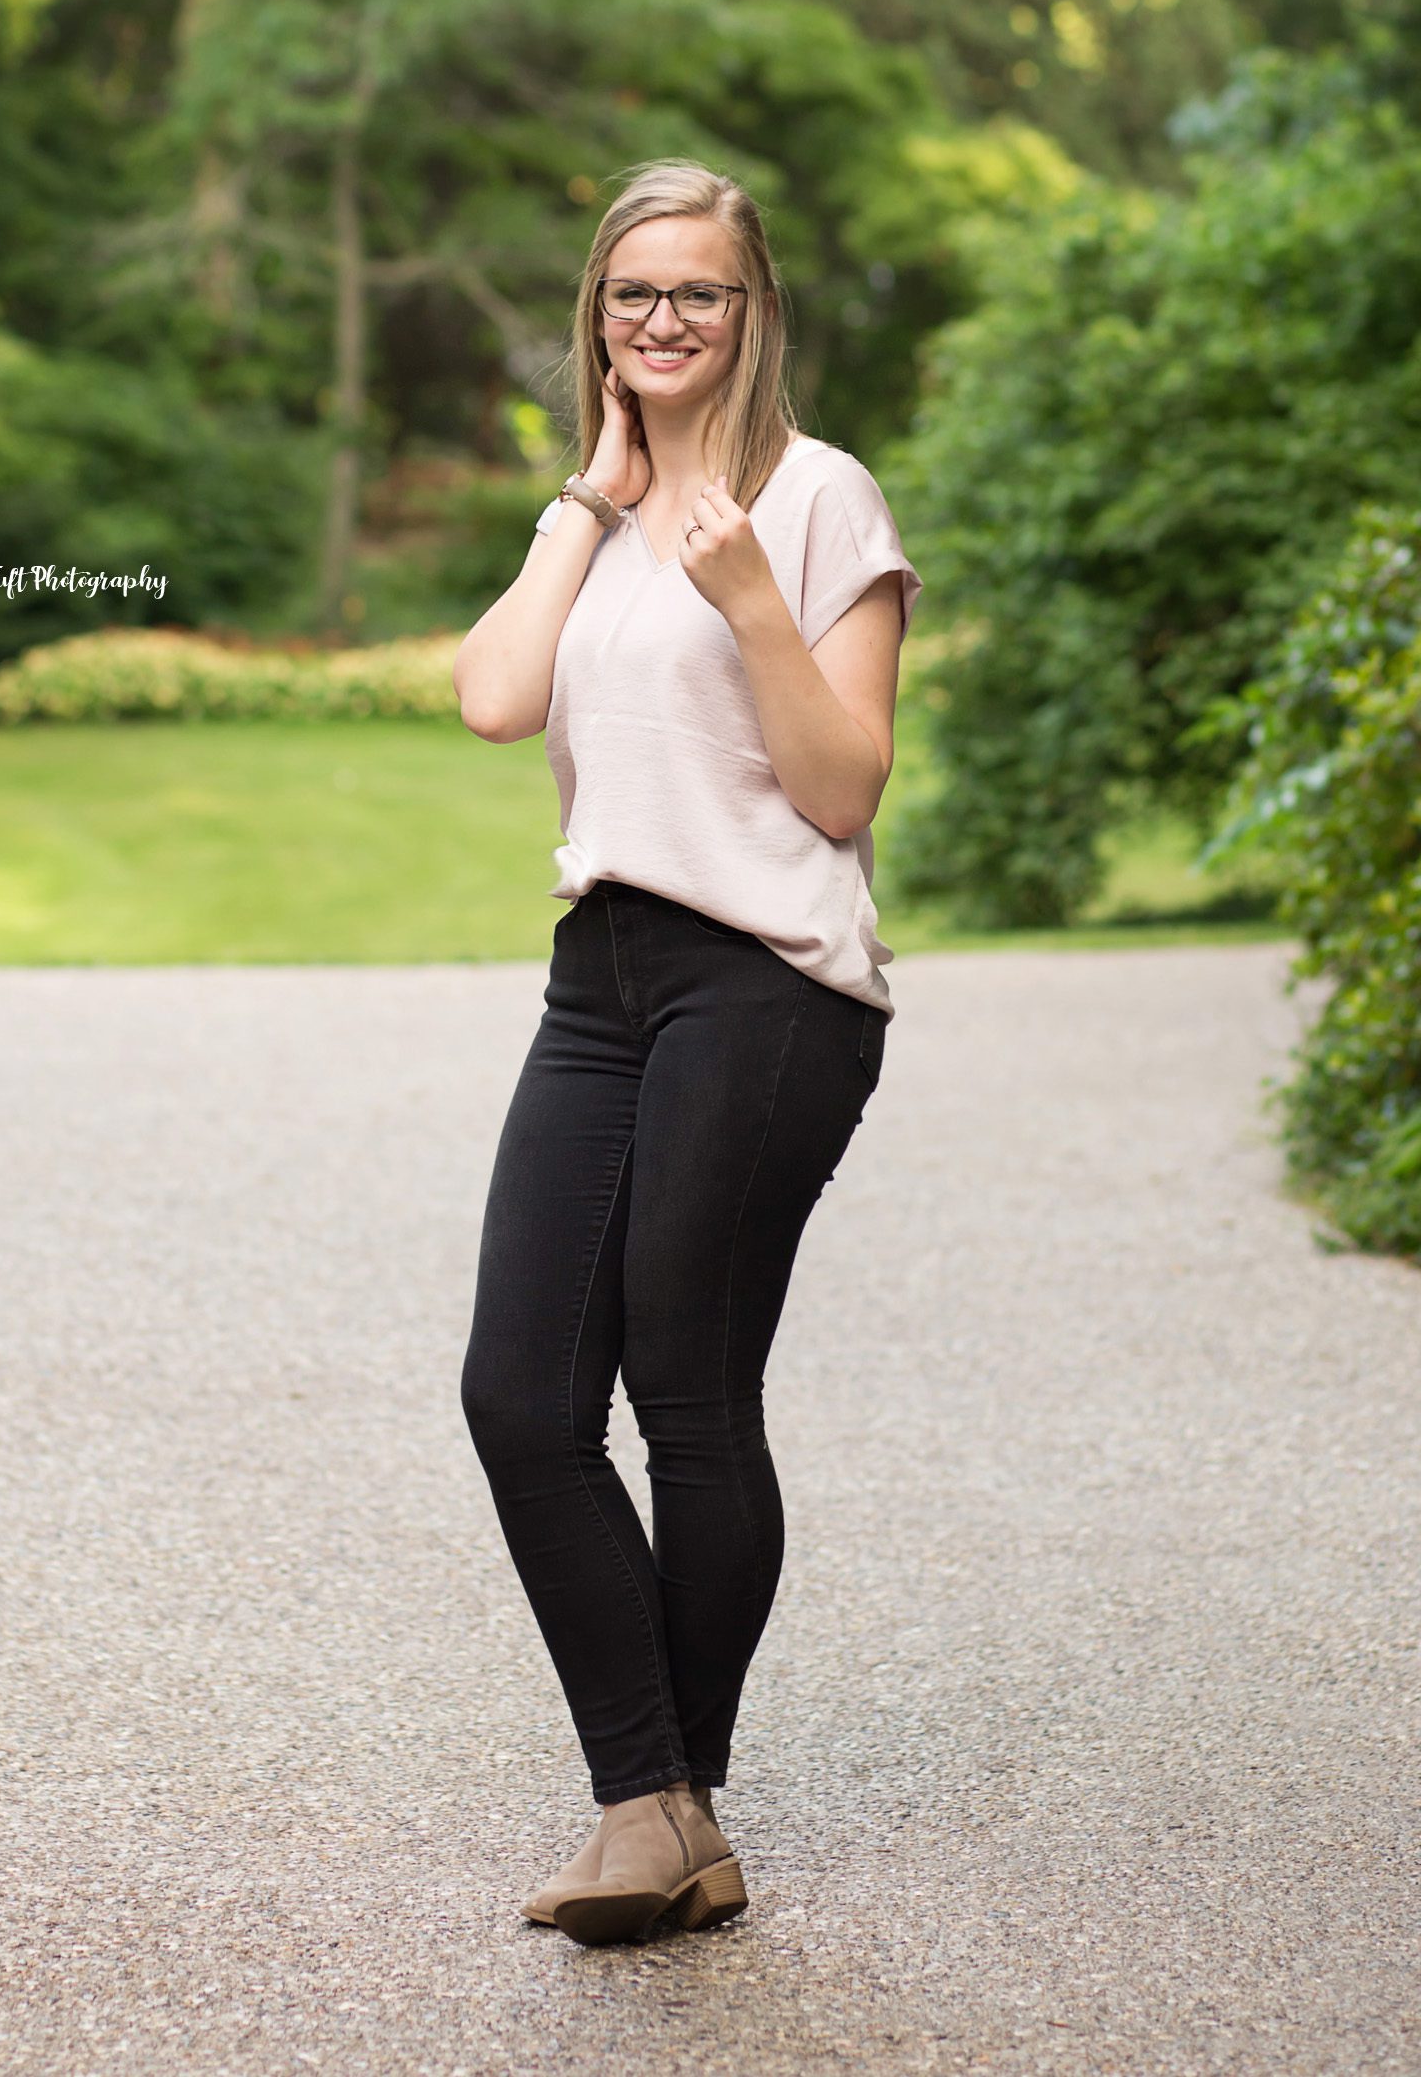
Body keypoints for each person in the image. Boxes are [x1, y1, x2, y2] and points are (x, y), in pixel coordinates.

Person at [452, 157, 919, 1949]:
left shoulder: (821, 501)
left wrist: (746, 596)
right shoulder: (595, 507)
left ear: (754, 314)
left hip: (771, 982)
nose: (661, 320)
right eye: (630, 293)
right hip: (602, 978)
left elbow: (842, 786)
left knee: (690, 1395)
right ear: (599, 315)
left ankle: (663, 1808)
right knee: (521, 1397)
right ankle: (660, 1811)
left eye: (697, 293)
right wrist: (590, 503)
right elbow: (496, 700)